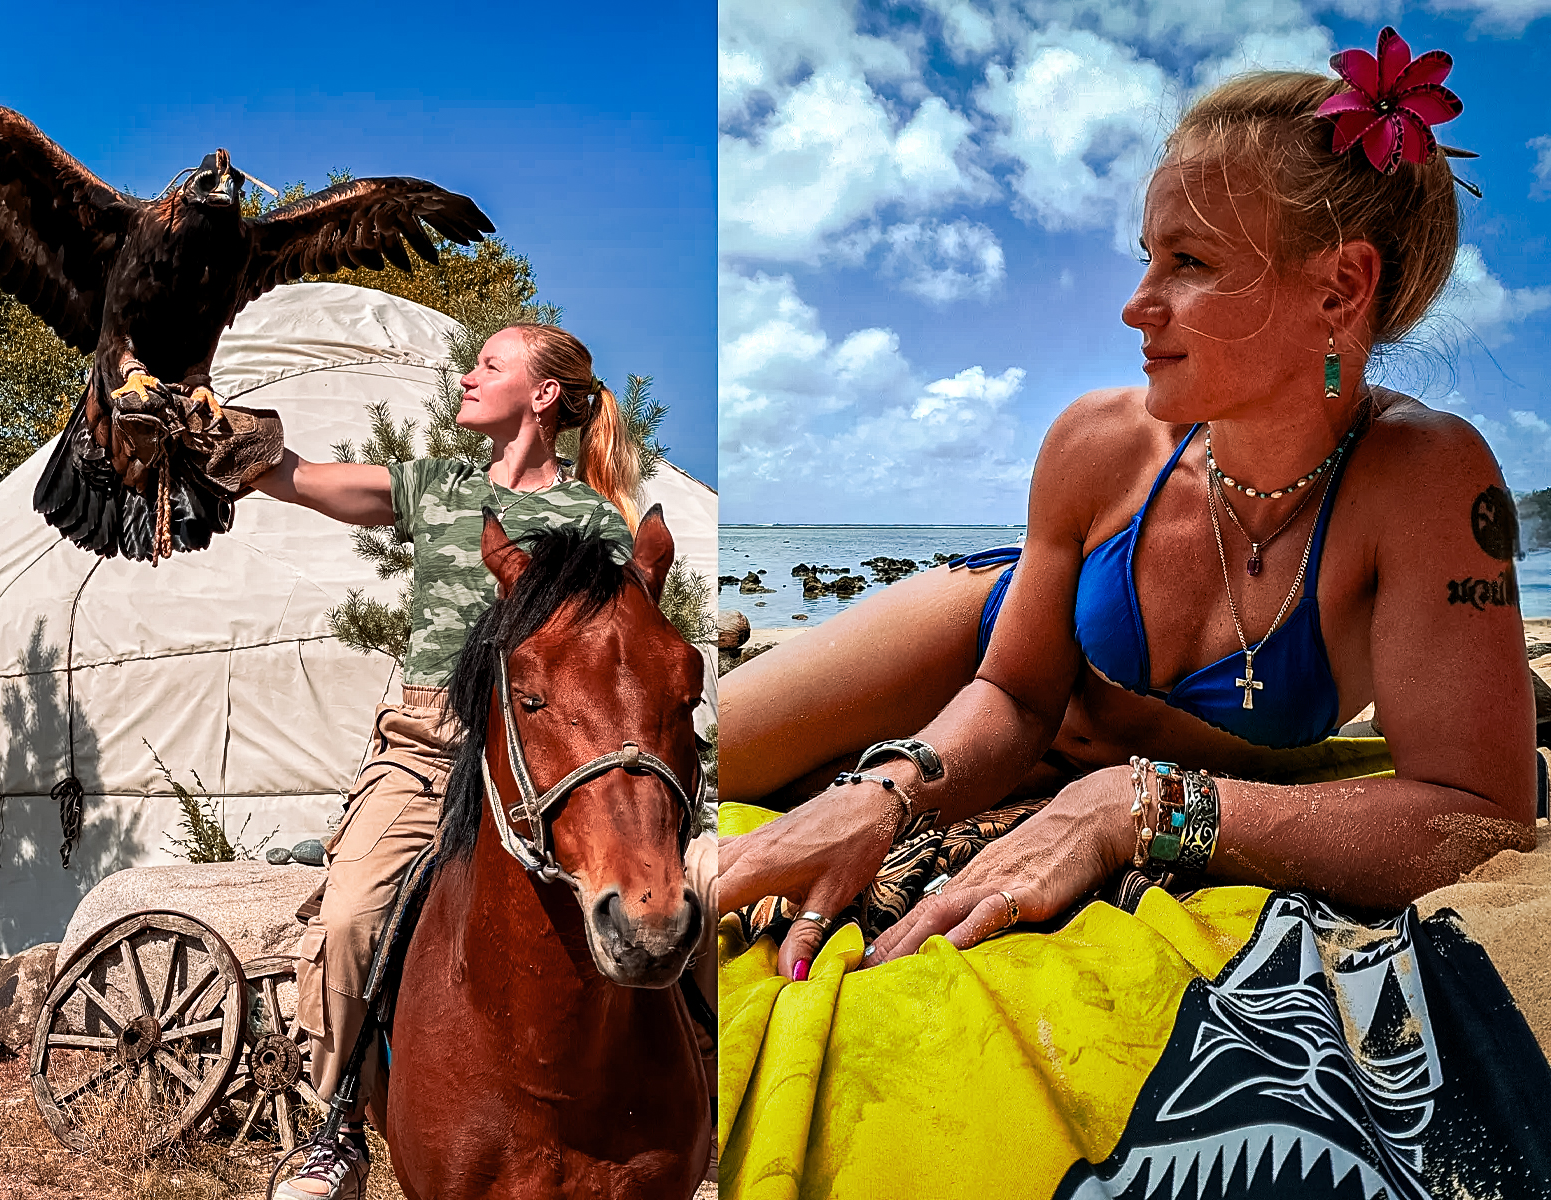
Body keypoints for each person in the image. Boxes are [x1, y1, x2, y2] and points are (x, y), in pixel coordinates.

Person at [718, 63, 1538, 990]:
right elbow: (1020, 696)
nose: (1136, 304)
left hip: (1086, 766)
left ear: (1342, 288)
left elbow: (1482, 816)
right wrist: (885, 793)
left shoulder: (1426, 480)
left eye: (1187, 262)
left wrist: (1137, 808)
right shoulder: (1099, 444)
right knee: (697, 752)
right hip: (978, 644)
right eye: (1146, 256)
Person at [252, 322, 642, 1199]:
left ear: (542, 395)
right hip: (426, 748)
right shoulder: (435, 487)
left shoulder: (591, 523)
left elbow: (613, 658)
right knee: (352, 916)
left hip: (545, 755)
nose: (467, 377)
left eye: (489, 366)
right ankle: (338, 1122)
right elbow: (297, 479)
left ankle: (679, 1085)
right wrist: (214, 432)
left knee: (652, 906)